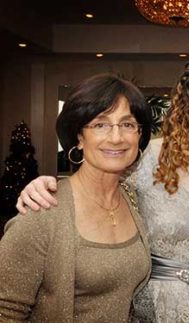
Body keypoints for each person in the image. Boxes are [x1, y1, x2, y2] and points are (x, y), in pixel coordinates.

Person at [15, 50, 189, 322]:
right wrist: (45, 185)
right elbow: (92, 187)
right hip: (152, 309)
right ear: (186, 98)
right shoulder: (141, 158)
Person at [0, 73, 152, 321]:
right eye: (100, 124)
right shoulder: (43, 211)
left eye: (127, 124)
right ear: (79, 137)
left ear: (139, 136)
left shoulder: (134, 200)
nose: (117, 137)